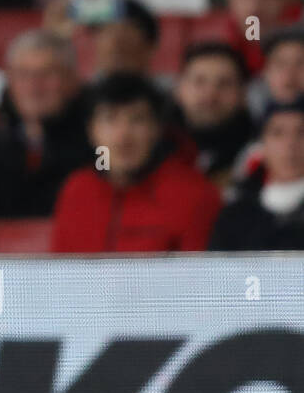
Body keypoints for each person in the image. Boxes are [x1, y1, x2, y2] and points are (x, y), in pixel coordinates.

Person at [51, 73, 221, 252]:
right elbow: (59, 273)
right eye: (110, 119)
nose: (123, 136)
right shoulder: (76, 190)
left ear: (156, 130)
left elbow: (199, 277)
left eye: (137, 119)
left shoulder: (194, 194)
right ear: (91, 131)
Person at [0, 29, 93, 217]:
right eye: (23, 74)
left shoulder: (97, 144)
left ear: (72, 80)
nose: (34, 86)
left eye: (47, 73)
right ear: (9, 81)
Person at [209, 97, 304, 251]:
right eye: (278, 133)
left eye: (301, 132)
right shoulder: (235, 216)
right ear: (262, 145)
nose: (290, 144)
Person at [172, 42, 255, 189]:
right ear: (179, 89)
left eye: (225, 84)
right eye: (199, 82)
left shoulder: (261, 152)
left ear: (243, 94)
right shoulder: (152, 146)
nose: (210, 95)